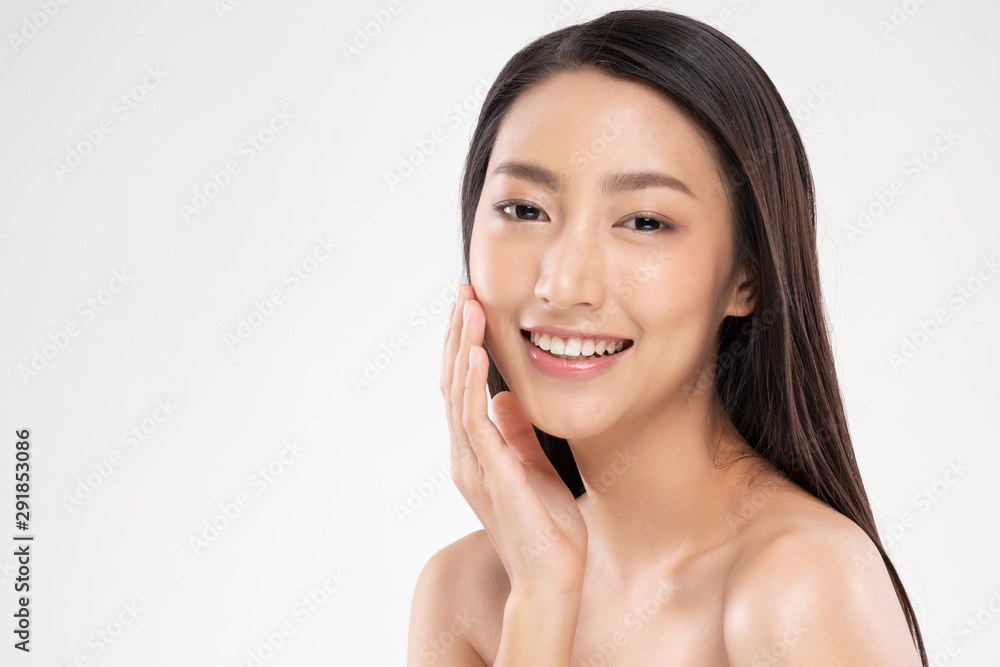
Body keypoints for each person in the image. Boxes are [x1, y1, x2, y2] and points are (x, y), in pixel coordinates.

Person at [408, 9, 927, 666]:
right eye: (525, 209)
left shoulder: (803, 586)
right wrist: (542, 595)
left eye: (645, 221)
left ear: (747, 275)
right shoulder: (467, 591)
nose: (565, 282)